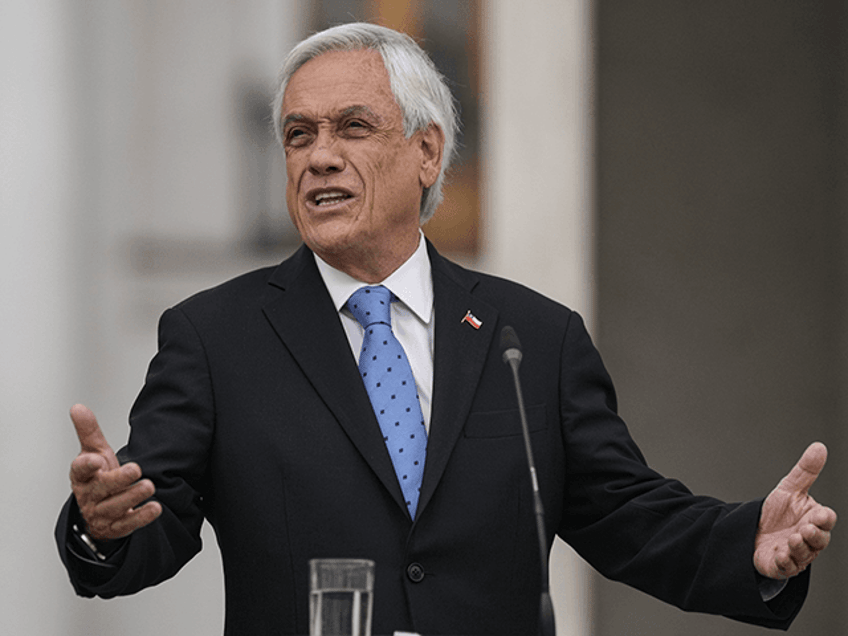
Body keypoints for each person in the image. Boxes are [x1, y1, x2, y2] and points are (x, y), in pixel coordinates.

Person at [56, 22, 836, 636]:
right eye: (299, 136)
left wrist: (748, 546)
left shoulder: (530, 337)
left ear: (426, 151)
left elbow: (626, 515)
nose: (318, 158)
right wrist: (103, 526)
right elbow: (151, 522)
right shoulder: (215, 337)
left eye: (352, 127)